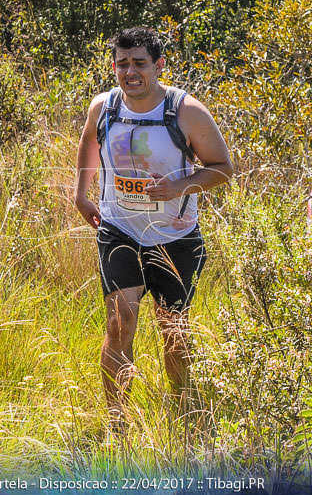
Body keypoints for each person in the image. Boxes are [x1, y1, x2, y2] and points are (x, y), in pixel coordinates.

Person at [73, 27, 234, 432]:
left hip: (175, 236)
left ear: (158, 65)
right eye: (122, 64)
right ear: (114, 66)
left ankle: (183, 418)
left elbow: (223, 169)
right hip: (119, 228)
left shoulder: (186, 112)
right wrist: (80, 193)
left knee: (173, 330)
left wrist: (179, 186)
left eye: (140, 63)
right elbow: (89, 142)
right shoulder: (104, 107)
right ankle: (118, 426)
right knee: (119, 323)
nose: (130, 72)